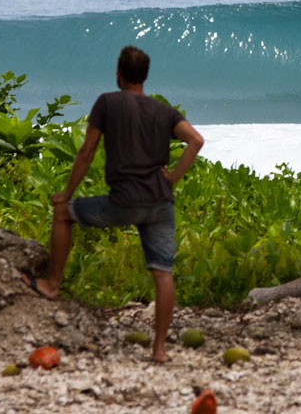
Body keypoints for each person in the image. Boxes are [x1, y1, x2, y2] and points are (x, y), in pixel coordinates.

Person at [24, 45, 204, 364]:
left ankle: (52, 284)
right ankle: (159, 350)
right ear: (145, 77)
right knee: (163, 274)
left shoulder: (108, 103)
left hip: (124, 201)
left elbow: (86, 153)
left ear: (118, 74)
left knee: (63, 214)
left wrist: (66, 192)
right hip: (161, 203)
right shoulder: (163, 111)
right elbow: (196, 140)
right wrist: (172, 178)